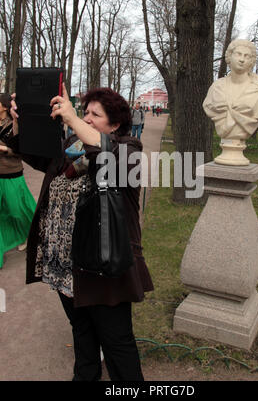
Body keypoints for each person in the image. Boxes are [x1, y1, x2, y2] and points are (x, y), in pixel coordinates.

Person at [8, 85, 153, 381]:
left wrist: (72, 119)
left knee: (116, 344)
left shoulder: (129, 149)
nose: (85, 118)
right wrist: (24, 121)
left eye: (94, 115)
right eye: (84, 112)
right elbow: (36, 156)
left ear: (115, 124)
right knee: (82, 333)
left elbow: (108, 155)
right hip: (65, 267)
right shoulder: (72, 146)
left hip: (103, 267)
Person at [203, 39, 258, 164]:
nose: (242, 59)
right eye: (238, 54)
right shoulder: (216, 88)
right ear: (229, 57)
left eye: (247, 56)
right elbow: (208, 107)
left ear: (251, 62)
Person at [0, 93, 36, 268]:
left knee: (18, 209)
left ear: (5, 106)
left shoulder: (13, 125)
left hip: (12, 174)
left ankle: (33, 232)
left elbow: (21, 151)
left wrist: (3, 148)